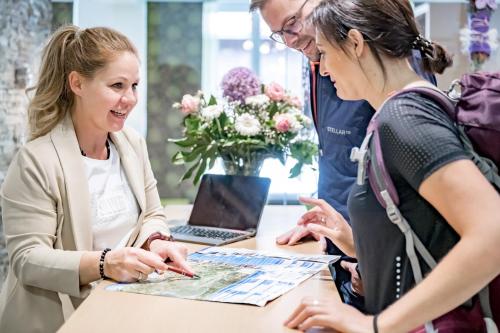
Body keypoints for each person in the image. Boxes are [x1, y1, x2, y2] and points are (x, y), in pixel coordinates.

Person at [283, 0, 500, 331]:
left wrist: (375, 325)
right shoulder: (402, 111)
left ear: (355, 43)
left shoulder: (403, 118)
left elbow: (492, 234)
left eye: (324, 52)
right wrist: (357, 242)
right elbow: (431, 237)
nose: (323, 69)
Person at [0, 25, 193, 333]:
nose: (129, 99)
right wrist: (105, 263)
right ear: (77, 83)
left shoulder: (131, 143)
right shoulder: (36, 160)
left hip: (124, 309)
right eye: (117, 85)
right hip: (62, 320)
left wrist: (155, 242)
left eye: (134, 86)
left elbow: (153, 214)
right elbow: (27, 259)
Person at [249, 0, 436, 309]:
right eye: (280, 34)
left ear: (355, 42)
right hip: (358, 251)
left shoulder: (404, 111)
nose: (291, 41)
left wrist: (373, 270)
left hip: (391, 269)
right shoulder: (328, 64)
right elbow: (345, 160)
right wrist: (332, 227)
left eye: (293, 23)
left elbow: (454, 233)